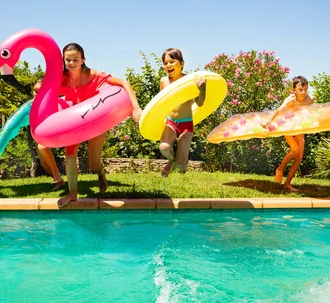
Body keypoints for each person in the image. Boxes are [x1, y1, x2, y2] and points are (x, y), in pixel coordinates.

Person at [57, 43, 142, 207]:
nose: (72, 63)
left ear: (83, 59)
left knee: (93, 164)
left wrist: (136, 108)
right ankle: (72, 193)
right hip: (72, 121)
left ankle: (101, 173)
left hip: (93, 120)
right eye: (68, 59)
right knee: (70, 156)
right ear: (63, 60)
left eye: (76, 59)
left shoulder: (93, 75)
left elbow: (124, 83)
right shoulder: (60, 79)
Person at [158, 48, 206, 177]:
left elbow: (200, 103)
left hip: (186, 124)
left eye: (172, 62)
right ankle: (170, 160)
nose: (168, 65)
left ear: (182, 63)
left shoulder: (189, 81)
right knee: (163, 148)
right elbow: (160, 102)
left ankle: (179, 162)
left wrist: (202, 90)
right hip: (170, 122)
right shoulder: (164, 81)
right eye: (165, 63)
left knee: (182, 166)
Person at [262, 76, 313, 192]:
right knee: (294, 150)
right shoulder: (290, 100)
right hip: (287, 124)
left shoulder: (309, 99)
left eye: (305, 89)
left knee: (299, 156)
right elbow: (279, 110)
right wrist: (269, 121)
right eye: (300, 89)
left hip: (299, 126)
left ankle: (287, 183)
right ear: (294, 89)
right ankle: (280, 169)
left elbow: (310, 112)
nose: (303, 92)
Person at [32, 78, 66, 191]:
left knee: (42, 146)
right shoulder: (33, 106)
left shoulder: (55, 102)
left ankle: (56, 173)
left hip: (60, 131)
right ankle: (59, 181)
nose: (36, 94)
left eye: (39, 91)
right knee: (43, 163)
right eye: (35, 91)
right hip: (43, 135)